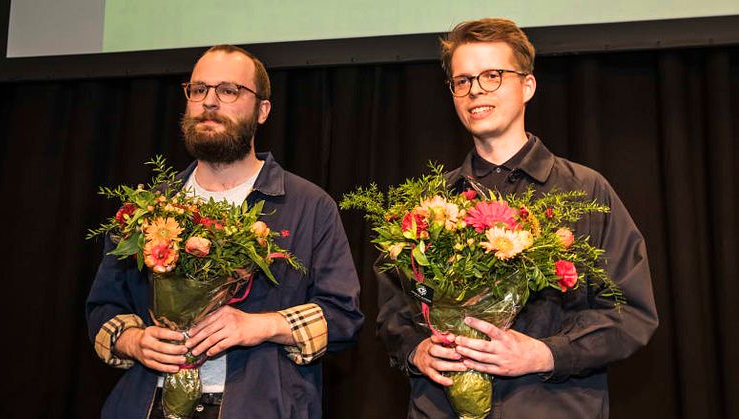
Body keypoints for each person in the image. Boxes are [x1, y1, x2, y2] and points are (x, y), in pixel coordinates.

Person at [375, 18, 658, 418]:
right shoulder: (429, 204)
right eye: (462, 80)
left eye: (491, 75)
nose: (475, 91)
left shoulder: (585, 192)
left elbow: (631, 313)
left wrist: (546, 353)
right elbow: (393, 312)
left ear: (528, 85)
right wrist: (415, 350)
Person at [86, 45, 363, 419]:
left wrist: (260, 326)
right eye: (198, 90)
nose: (209, 102)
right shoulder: (146, 209)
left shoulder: (309, 206)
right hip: (148, 404)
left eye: (228, 91)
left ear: (262, 110)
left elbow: (343, 318)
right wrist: (135, 341)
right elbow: (103, 308)